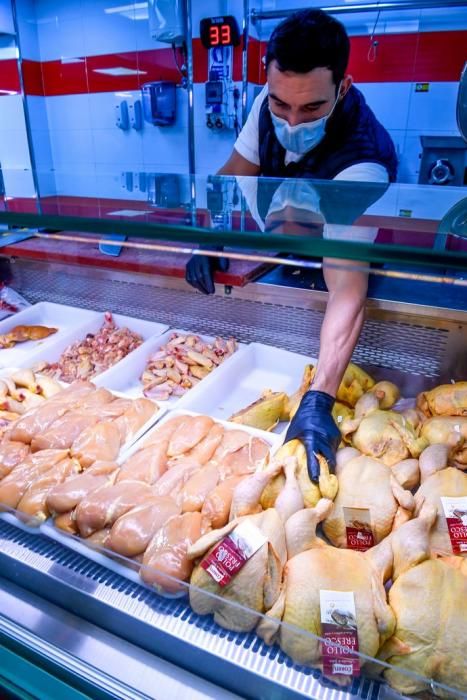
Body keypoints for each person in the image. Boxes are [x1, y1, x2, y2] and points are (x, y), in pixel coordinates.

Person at [186, 8, 398, 482]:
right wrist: (210, 235)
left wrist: (320, 398)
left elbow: (346, 284)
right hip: (282, 250)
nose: (292, 120)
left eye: (311, 110)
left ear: (343, 87)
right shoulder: (271, 98)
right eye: (282, 105)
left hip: (335, 256)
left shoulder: (365, 161)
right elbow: (231, 176)